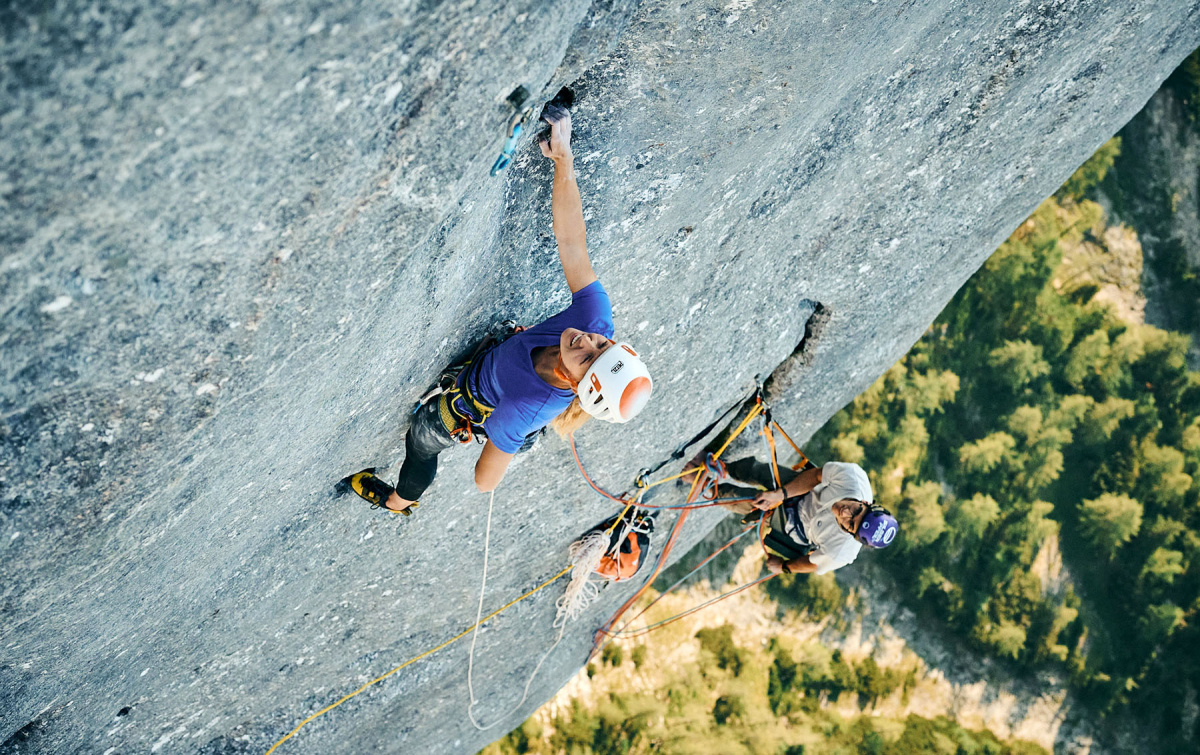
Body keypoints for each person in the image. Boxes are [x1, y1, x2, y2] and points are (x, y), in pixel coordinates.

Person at [378, 100, 653, 514]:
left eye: (587, 358)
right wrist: (564, 159)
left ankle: (399, 502)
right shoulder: (594, 318)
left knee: (421, 438)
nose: (587, 340)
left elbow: (485, 481)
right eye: (603, 344)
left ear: (574, 385)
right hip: (503, 373)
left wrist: (502, 433)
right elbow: (572, 241)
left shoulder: (524, 410)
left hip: (484, 402)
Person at [691, 454, 898, 575]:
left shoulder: (841, 552)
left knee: (749, 501)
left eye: (850, 523)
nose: (846, 513)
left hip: (792, 526)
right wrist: (780, 494)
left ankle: (706, 486)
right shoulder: (853, 478)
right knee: (758, 471)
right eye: (857, 510)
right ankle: (725, 468)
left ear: (850, 533)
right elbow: (816, 475)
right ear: (866, 503)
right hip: (803, 492)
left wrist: (784, 567)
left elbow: (812, 563)